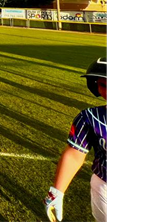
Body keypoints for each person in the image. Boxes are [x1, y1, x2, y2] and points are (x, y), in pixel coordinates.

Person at [45, 58, 107, 222]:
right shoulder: (89, 118)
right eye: (103, 85)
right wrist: (57, 192)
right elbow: (74, 154)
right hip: (105, 186)